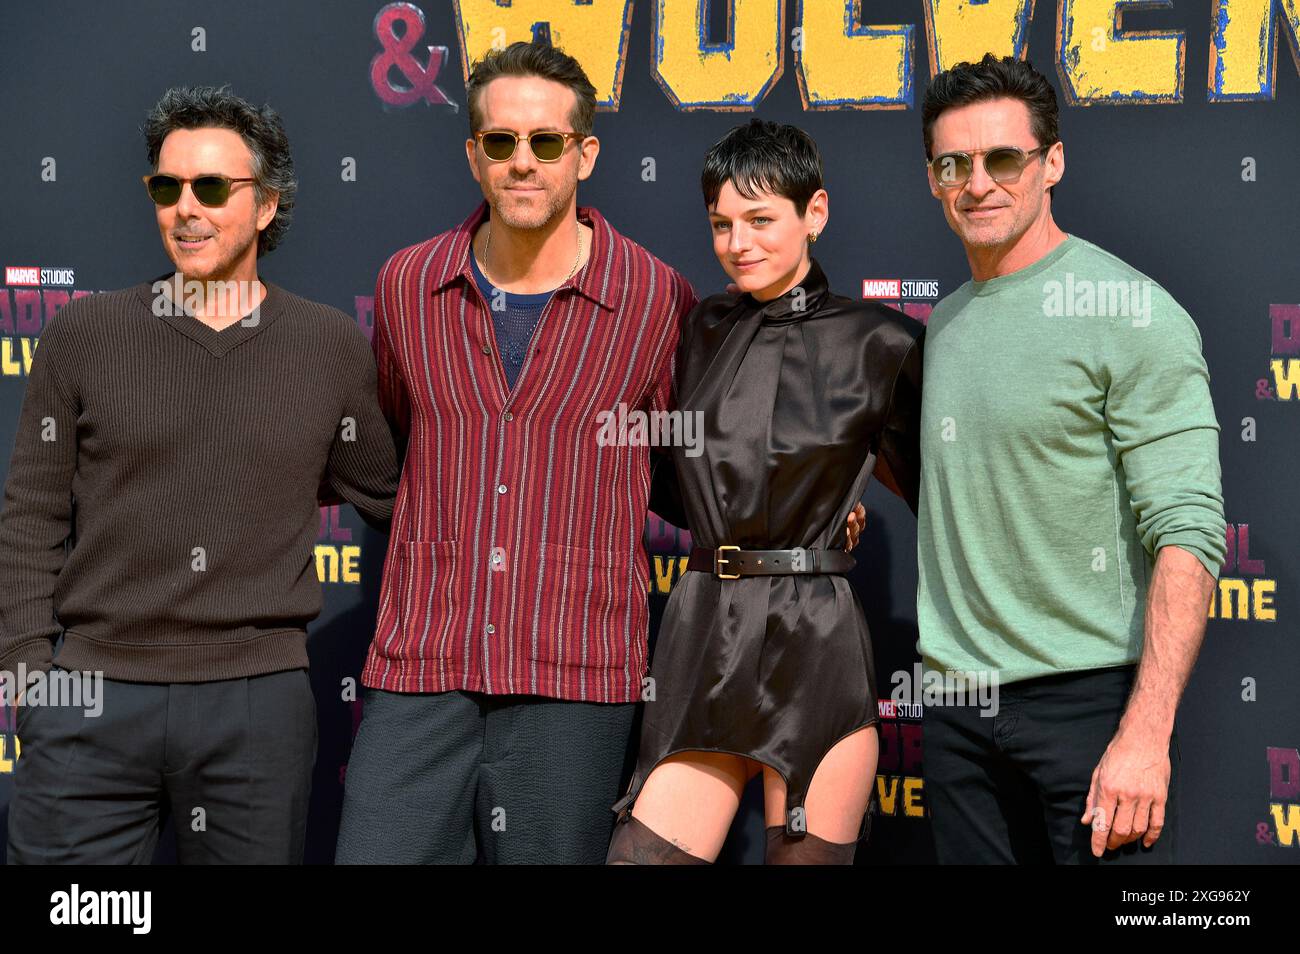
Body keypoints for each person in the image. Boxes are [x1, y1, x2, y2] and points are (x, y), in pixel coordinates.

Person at [0, 85, 398, 864]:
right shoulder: (85, 334)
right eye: (167, 186)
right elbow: (30, 518)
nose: (187, 208)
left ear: (268, 203)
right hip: (89, 696)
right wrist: (28, 680)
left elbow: (396, 497)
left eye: (213, 187)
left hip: (257, 706)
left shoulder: (328, 348)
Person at [915, 54, 1226, 864]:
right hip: (955, 711)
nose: (977, 183)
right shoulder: (943, 326)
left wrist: (1145, 733)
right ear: (933, 178)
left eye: (1003, 159)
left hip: (1090, 713)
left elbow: (1189, 536)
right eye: (954, 164)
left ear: (1052, 162)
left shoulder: (1133, 314)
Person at [606, 118, 924, 865]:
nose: (738, 243)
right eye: (721, 224)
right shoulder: (694, 330)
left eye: (760, 220)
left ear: (814, 213)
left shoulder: (884, 342)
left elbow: (940, 499)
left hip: (816, 637)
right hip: (702, 631)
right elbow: (667, 480)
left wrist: (829, 513)